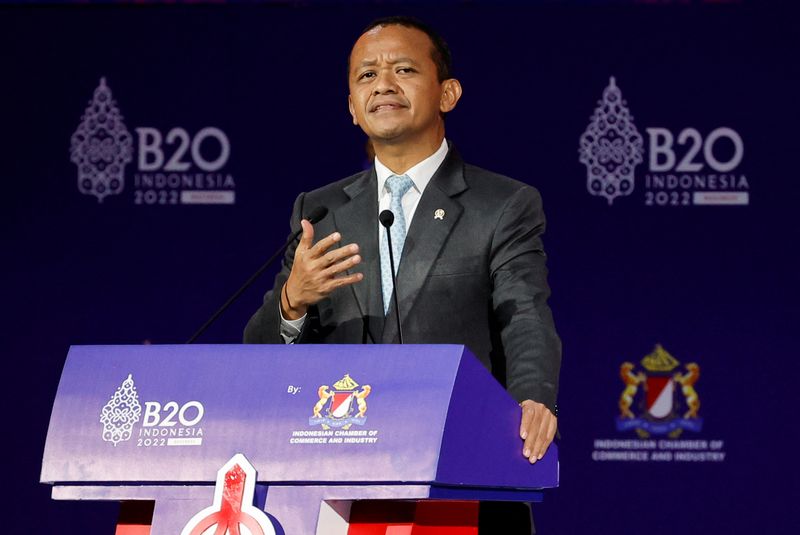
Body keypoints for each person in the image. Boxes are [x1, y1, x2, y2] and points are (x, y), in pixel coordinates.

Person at [244, 16, 561, 533]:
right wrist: (292, 304)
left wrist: (532, 398)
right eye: (366, 76)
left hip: (458, 479)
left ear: (448, 93)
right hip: (335, 489)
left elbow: (523, 314)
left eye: (404, 69)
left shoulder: (502, 205)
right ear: (351, 106)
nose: (383, 84)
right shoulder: (320, 211)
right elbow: (256, 359)